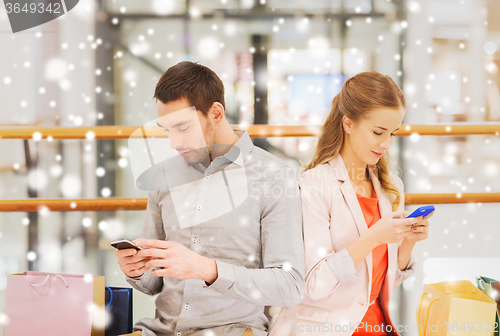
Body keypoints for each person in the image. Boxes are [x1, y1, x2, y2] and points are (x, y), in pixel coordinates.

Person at [115, 61, 305, 336]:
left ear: (216, 113)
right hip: (159, 331)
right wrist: (136, 270)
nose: (174, 143)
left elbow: (289, 286)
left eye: (182, 127)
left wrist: (206, 269)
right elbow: (153, 283)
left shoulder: (274, 177)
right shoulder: (164, 175)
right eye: (167, 130)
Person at [269, 72, 432, 336]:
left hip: (377, 326)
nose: (386, 143)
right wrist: (372, 238)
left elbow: (381, 285)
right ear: (348, 123)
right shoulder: (315, 185)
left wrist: (408, 240)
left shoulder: (390, 186)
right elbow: (314, 284)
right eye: (378, 132)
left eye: (393, 133)